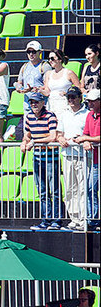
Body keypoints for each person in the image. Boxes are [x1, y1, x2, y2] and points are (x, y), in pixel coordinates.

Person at [22, 92, 64, 231]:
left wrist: (34, 141)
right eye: (31, 101)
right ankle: (46, 219)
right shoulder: (28, 116)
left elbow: (52, 136)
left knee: (55, 190)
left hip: (51, 157)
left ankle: (56, 220)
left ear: (42, 103)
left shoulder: (50, 116)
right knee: (42, 190)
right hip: (37, 157)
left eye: (36, 101)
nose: (33, 104)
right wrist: (24, 142)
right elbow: (27, 135)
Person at [56, 86, 89, 231]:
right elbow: (59, 133)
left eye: (73, 97)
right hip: (68, 155)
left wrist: (83, 139)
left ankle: (84, 218)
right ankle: (74, 218)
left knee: (83, 188)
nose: (71, 100)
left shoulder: (87, 113)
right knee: (70, 188)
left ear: (80, 97)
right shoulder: (64, 114)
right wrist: (61, 138)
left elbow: (89, 133)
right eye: (68, 97)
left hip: (83, 156)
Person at [75, 89, 100, 231]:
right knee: (90, 188)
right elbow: (86, 133)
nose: (90, 103)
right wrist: (85, 140)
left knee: (91, 188)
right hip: (96, 161)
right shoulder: (90, 115)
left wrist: (86, 139)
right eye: (89, 101)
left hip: (98, 160)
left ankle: (94, 219)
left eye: (93, 101)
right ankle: (93, 219)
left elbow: (90, 136)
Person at [42, 50, 82, 123]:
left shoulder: (69, 73)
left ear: (60, 59)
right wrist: (39, 90)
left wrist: (68, 93)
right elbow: (47, 92)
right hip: (51, 105)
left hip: (64, 105)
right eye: (49, 59)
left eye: (52, 58)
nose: (50, 61)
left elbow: (79, 89)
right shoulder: (48, 74)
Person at [14, 41, 51, 118]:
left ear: (40, 52)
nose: (31, 54)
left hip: (41, 104)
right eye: (29, 52)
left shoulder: (45, 66)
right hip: (28, 103)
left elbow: (48, 86)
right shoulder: (24, 66)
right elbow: (19, 82)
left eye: (33, 52)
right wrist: (19, 88)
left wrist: (36, 89)